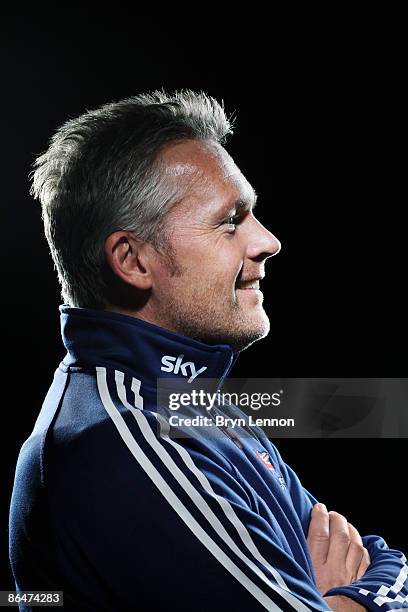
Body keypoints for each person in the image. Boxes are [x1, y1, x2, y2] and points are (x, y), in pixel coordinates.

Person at [9, 90, 407, 612]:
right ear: (132, 261)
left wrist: (343, 600)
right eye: (230, 221)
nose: (268, 242)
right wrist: (351, 600)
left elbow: (373, 556)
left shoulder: (185, 400)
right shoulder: (114, 444)